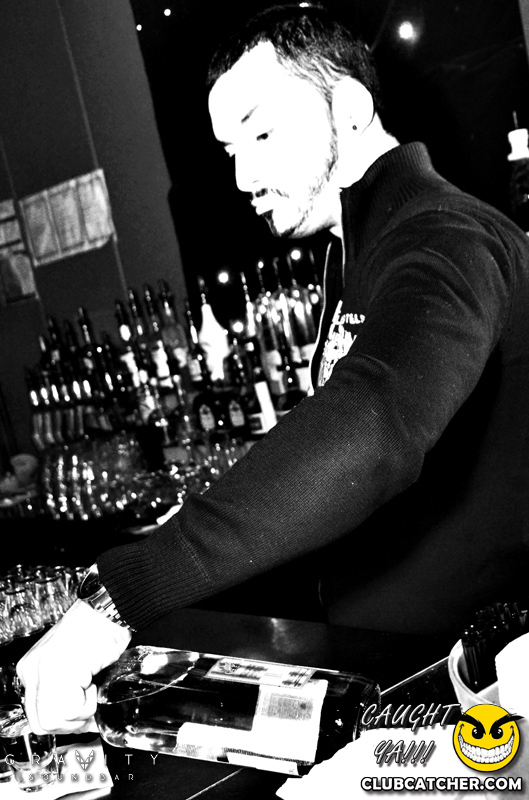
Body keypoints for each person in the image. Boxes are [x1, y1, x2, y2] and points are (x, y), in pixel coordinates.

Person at [18, 3, 529, 734]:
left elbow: (374, 421)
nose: (242, 175)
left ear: (348, 109)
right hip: (400, 673)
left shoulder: (443, 237)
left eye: (261, 134)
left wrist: (121, 595)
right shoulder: (358, 248)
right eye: (230, 148)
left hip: (479, 690)